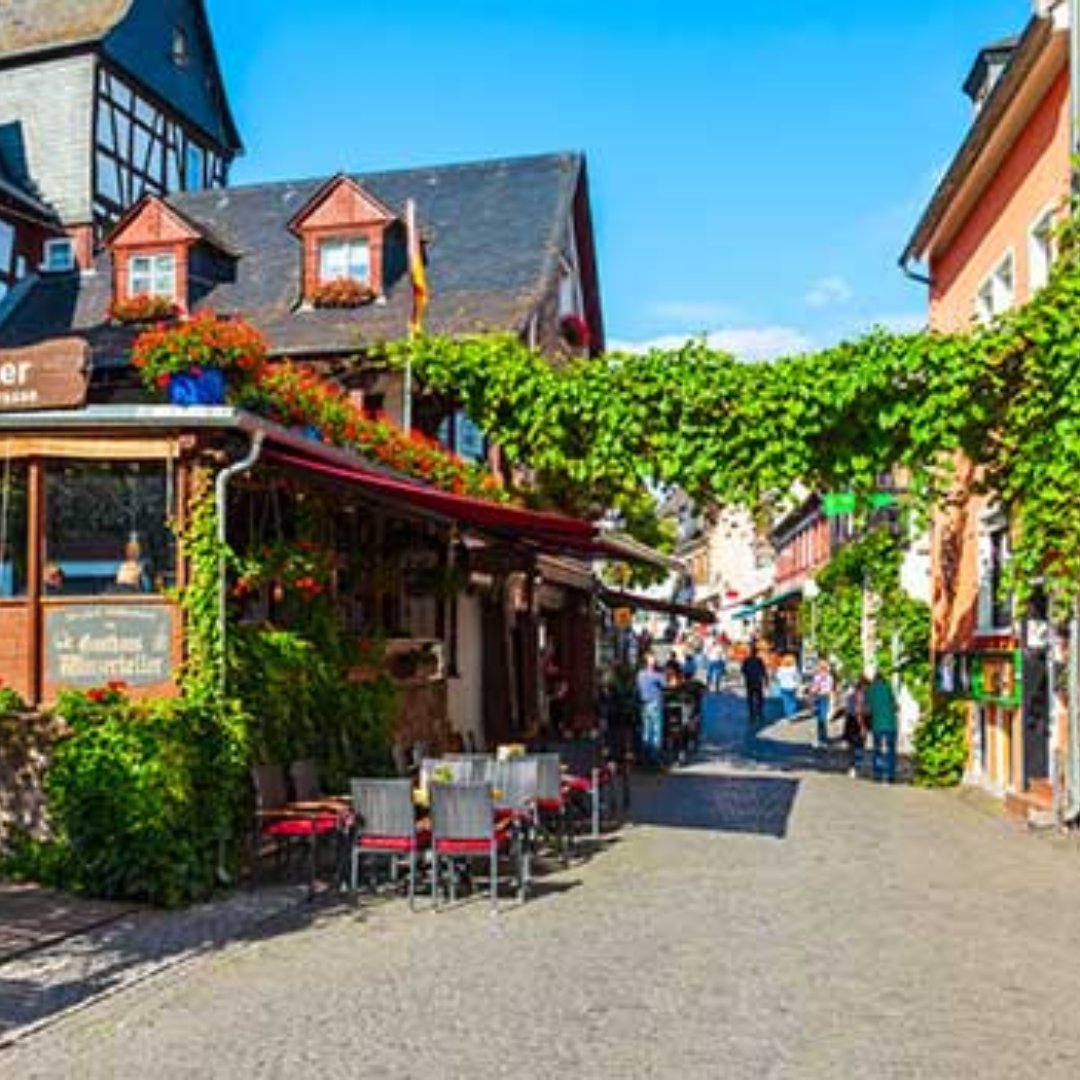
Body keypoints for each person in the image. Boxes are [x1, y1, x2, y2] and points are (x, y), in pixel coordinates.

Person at [866, 669, 899, 783]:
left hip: (877, 724)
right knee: (891, 750)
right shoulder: (888, 687)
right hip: (891, 724)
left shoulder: (870, 690)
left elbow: (868, 708)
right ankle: (890, 775)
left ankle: (877, 774)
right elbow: (896, 706)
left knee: (877, 749)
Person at [636, 653, 666, 767]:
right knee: (656, 732)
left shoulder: (640, 674)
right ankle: (655, 758)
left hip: (644, 704)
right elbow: (666, 684)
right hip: (655, 703)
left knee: (646, 731)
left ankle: (645, 757)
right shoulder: (657, 675)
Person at [843, 676, 870, 777]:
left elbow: (846, 709)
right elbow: (859, 712)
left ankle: (852, 767)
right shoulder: (862, 696)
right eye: (867, 686)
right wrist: (863, 726)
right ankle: (855, 767)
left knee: (852, 746)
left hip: (850, 721)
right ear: (863, 686)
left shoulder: (851, 695)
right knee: (859, 745)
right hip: (858, 722)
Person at [809, 660, 835, 749]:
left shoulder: (817, 677)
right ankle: (823, 739)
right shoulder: (830, 677)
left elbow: (814, 689)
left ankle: (821, 739)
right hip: (825, 697)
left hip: (818, 697)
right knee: (822, 718)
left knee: (819, 719)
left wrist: (811, 693)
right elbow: (831, 688)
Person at [741, 644, 767, 726]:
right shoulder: (759, 660)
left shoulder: (746, 660)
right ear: (756, 653)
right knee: (759, 698)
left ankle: (752, 713)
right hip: (758, 682)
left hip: (749, 681)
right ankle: (759, 712)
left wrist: (746, 676)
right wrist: (766, 680)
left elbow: (743, 670)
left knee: (750, 698)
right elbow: (763, 671)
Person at [776, 654, 801, 720]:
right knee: (793, 700)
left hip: (783, 686)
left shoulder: (780, 668)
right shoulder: (794, 668)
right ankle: (792, 714)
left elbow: (778, 677)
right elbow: (797, 677)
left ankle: (788, 714)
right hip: (792, 686)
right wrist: (798, 684)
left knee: (786, 701)